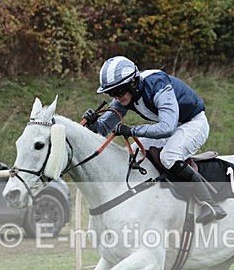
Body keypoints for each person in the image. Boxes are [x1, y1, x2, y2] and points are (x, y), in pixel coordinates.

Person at [82, 56, 226, 224]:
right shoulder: (125, 96)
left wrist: (132, 130)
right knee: (134, 153)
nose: (116, 97)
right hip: (175, 127)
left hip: (194, 123)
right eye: (111, 92)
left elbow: (167, 127)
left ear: (133, 83)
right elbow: (102, 130)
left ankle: (210, 203)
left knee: (169, 156)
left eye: (119, 91)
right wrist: (92, 124)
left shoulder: (157, 84)